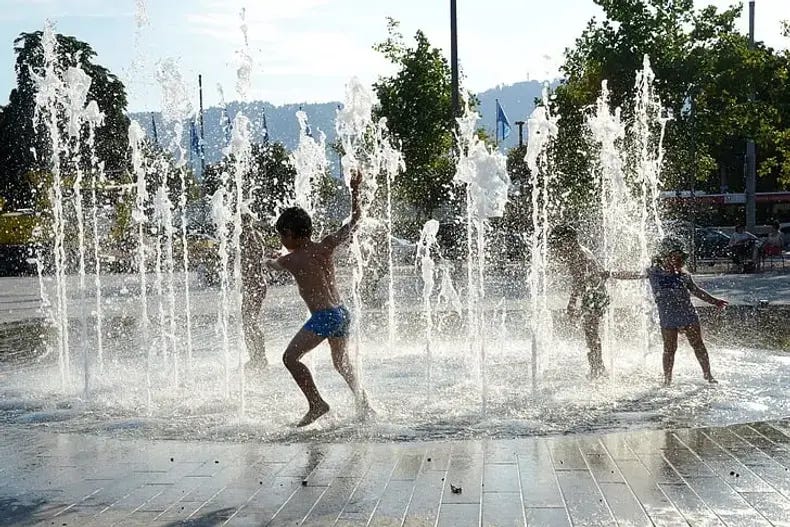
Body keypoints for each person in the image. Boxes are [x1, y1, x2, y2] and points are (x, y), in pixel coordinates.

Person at [264, 170, 372, 427]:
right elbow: (356, 221)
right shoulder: (326, 245)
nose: (281, 240)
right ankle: (364, 404)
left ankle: (316, 404)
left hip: (324, 317)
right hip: (342, 313)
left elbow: (273, 265)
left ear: (290, 233)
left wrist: (265, 259)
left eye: (282, 235)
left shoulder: (290, 259)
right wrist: (355, 190)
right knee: (341, 362)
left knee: (290, 358)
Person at [609, 237, 728, 386]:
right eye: (676, 257)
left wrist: (715, 301)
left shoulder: (684, 275)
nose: (679, 261)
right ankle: (667, 380)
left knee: (698, 344)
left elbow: (697, 291)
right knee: (670, 348)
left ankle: (708, 375)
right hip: (668, 316)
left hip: (687, 314)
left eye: (681, 258)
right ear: (665, 256)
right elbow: (632, 275)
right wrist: (609, 274)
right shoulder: (653, 272)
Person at [550, 225, 609, 379]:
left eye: (558, 242)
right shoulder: (580, 250)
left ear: (567, 240)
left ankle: (597, 368)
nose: (557, 247)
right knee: (591, 332)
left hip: (593, 294)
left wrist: (572, 302)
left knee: (591, 332)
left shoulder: (577, 254)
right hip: (596, 292)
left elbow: (579, 281)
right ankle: (597, 367)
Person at [241, 214, 269, 372]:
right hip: (256, 284)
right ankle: (257, 356)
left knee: (249, 322)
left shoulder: (248, 237)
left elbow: (248, 259)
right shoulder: (257, 235)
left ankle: (258, 357)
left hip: (253, 286)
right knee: (249, 322)